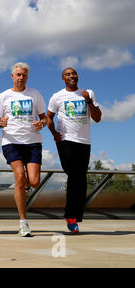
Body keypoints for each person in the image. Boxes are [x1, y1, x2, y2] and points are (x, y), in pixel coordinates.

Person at [0, 62, 47, 237]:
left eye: (23, 75)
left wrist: (41, 124)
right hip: (11, 142)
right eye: (18, 74)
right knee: (19, 176)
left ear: (27, 77)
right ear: (12, 76)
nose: (20, 77)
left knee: (35, 181)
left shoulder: (35, 94)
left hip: (32, 142)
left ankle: (24, 188)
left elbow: (45, 118)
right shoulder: (3, 96)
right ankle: (23, 222)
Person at [46, 67, 101, 233]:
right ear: (63, 79)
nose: (72, 76)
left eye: (74, 73)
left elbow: (97, 118)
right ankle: (71, 218)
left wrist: (89, 101)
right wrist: (54, 133)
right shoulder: (57, 96)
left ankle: (74, 218)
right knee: (75, 175)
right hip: (65, 141)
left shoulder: (88, 93)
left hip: (84, 142)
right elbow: (48, 117)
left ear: (78, 76)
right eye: (68, 74)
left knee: (80, 180)